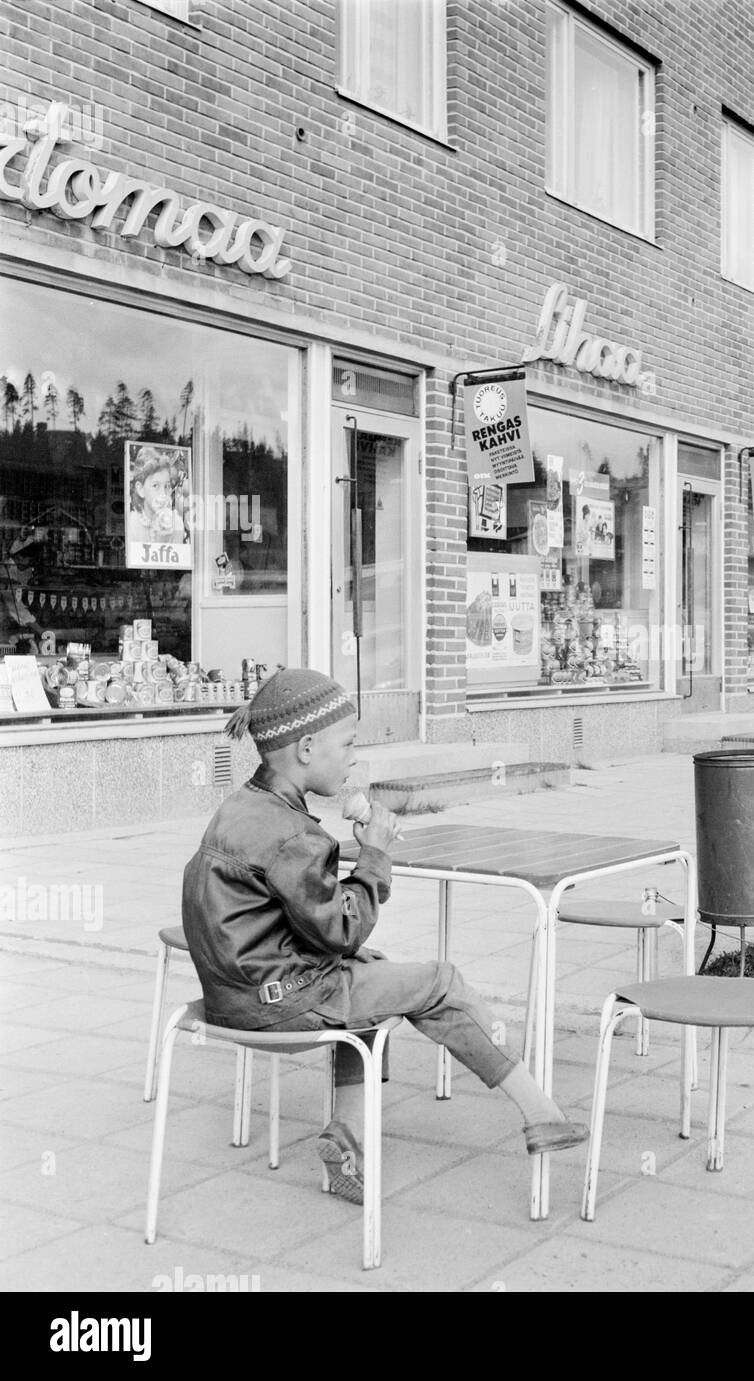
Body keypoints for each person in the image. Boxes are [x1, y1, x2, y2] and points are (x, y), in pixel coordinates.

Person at [181, 668, 587, 1206]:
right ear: (306, 748)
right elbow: (343, 929)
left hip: (232, 1000)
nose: (354, 757)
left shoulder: (241, 809)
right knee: (441, 982)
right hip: (281, 1005)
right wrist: (374, 854)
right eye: (347, 744)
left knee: (375, 981)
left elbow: (305, 922)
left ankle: (345, 1138)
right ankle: (541, 1114)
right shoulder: (294, 834)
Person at [128, 447, 188, 548]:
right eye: (155, 486)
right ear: (141, 489)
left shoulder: (176, 522)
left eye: (167, 486)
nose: (163, 493)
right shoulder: (132, 522)